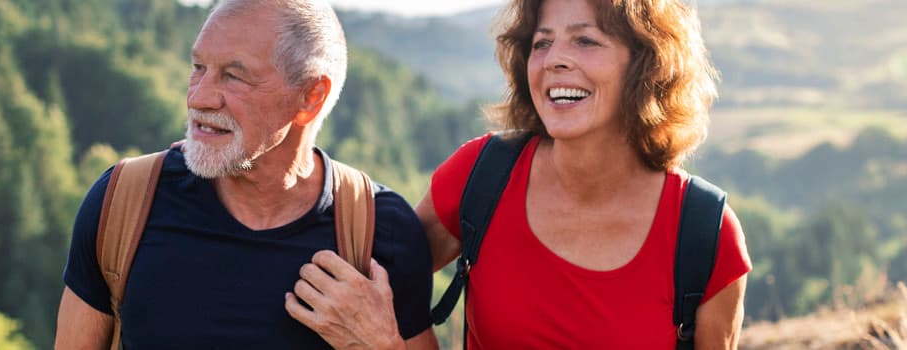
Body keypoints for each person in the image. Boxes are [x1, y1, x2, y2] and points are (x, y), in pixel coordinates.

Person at [286, 0, 752, 348]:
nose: (553, 59)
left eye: (585, 40)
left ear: (647, 66)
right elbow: (367, 286)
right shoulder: (481, 177)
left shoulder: (706, 235)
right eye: (541, 42)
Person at [53, 0, 439, 348]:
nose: (199, 98)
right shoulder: (122, 202)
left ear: (311, 97)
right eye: (198, 68)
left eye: (233, 76)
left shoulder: (380, 231)